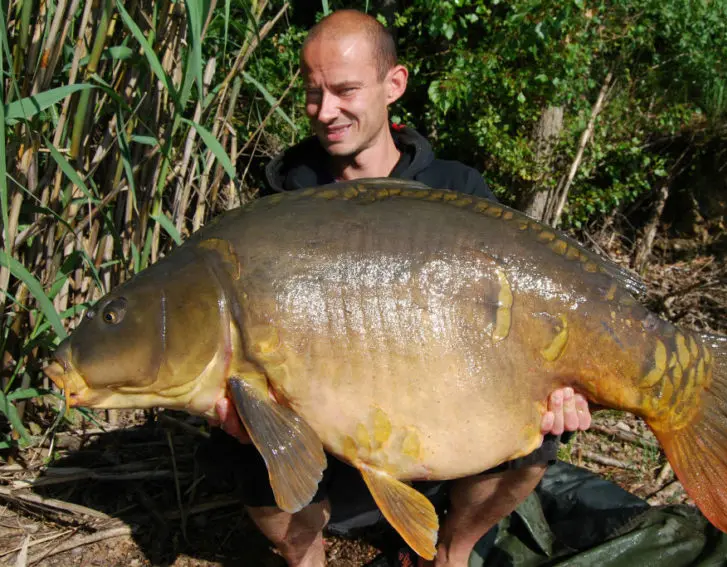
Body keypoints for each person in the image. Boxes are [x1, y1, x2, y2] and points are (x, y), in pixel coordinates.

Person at [204, 9, 592, 567]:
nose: (325, 111)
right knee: (239, 443)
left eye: (345, 90)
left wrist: (562, 386)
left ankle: (451, 552)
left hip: (444, 429)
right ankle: (305, 557)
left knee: (538, 437)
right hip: (328, 443)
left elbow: (513, 321)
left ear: (394, 85)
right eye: (314, 93)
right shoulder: (282, 207)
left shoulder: (458, 190)